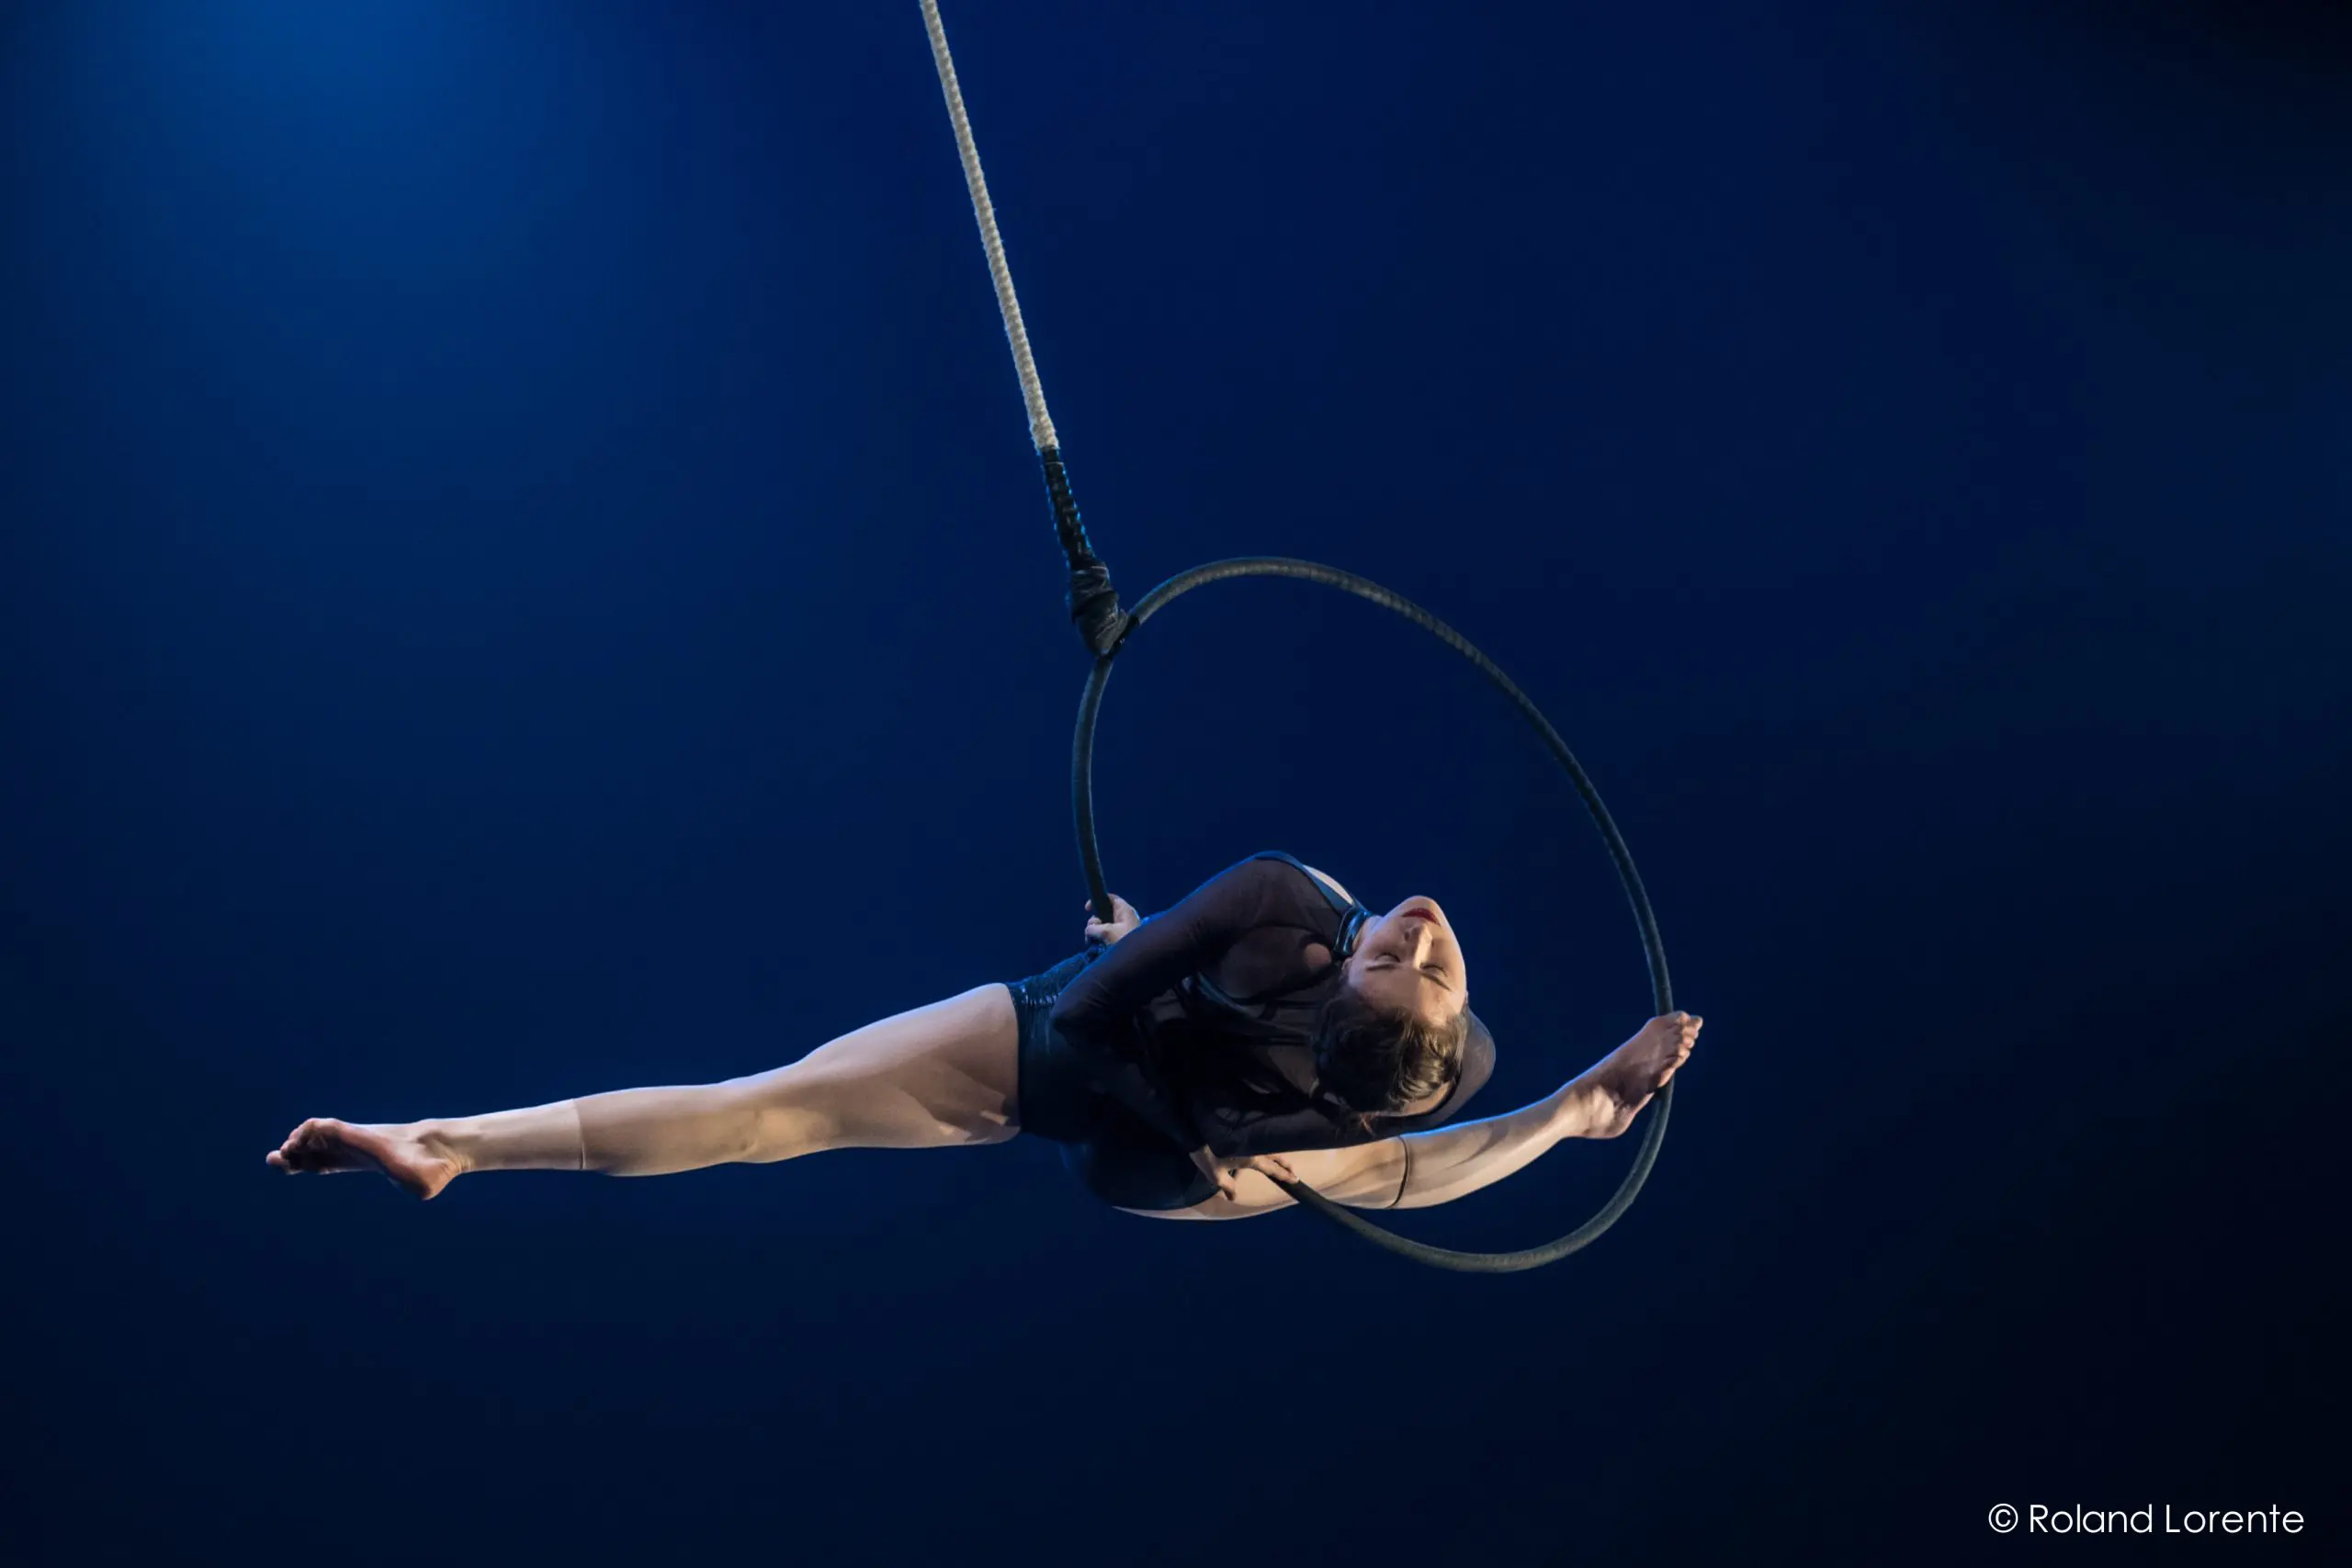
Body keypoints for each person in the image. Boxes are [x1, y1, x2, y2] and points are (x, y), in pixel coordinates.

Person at [267, 852, 1701, 1221]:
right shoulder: (1285, 900)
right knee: (772, 1109)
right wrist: (1146, 970)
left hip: (1165, 1160)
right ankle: (443, 1141)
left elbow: (1407, 1160)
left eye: (1417, 960)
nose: (1422, 926)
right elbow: (1088, 1003)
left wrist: (1212, 1138)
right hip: (1058, 1054)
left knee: (1387, 1181)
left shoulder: (1423, 1082)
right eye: (1405, 946)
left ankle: (1580, 1116)